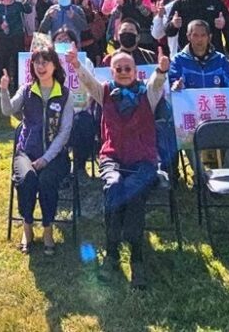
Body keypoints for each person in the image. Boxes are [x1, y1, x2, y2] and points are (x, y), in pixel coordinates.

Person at [66, 41, 169, 289]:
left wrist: (162, 70)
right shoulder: (104, 93)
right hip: (113, 158)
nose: (123, 72)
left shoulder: (148, 94)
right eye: (118, 69)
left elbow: (156, 82)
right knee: (113, 188)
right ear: (112, 72)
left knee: (132, 195)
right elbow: (89, 83)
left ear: (135, 71)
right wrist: (77, 64)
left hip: (143, 161)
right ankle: (112, 255)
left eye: (128, 68)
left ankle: (137, 259)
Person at [0, 36, 74, 255]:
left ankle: (48, 228)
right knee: (28, 179)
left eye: (45, 62)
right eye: (37, 62)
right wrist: (4, 90)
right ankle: (28, 226)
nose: (41, 67)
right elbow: (7, 110)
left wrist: (46, 158)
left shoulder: (65, 95)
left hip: (55, 156)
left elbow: (64, 132)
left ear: (54, 65)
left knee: (47, 180)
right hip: (26, 153)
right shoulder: (26, 90)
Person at [0, 0, 32, 89]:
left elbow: (28, 10)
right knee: (3, 62)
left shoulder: (18, 4)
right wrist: (0, 26)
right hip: (3, 39)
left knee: (17, 61)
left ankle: (19, 85)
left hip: (17, 37)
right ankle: (4, 85)